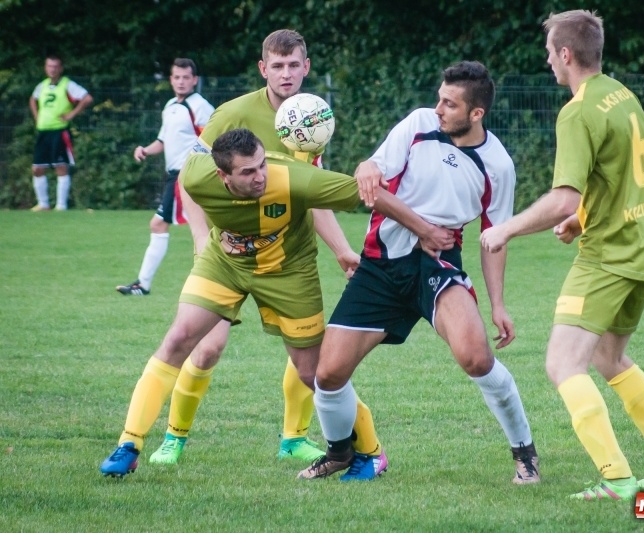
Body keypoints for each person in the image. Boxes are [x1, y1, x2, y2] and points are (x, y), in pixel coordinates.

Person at [99, 128, 452, 479]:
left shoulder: (295, 179)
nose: (260, 177)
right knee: (178, 339)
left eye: (261, 166)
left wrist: (423, 229)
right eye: (247, 172)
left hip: (289, 273)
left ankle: (371, 451)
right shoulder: (196, 174)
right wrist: (198, 239)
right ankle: (129, 444)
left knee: (314, 373)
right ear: (222, 175)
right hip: (225, 263)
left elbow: (370, 194)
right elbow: (185, 185)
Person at [480, 10, 644, 500]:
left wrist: (506, 229)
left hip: (608, 257)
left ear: (565, 54)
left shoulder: (577, 110)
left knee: (563, 365)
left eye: (549, 54)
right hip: (643, 246)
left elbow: (562, 195)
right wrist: (582, 217)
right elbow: (620, 172)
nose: (548, 62)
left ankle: (618, 479)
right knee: (610, 357)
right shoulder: (621, 95)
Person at [142, 30, 386, 475]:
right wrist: (200, 240)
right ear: (263, 69)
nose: (287, 73)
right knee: (206, 346)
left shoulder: (310, 117)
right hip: (229, 256)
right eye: (278, 66)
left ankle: (294, 439)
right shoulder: (233, 114)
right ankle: (173, 438)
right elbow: (191, 179)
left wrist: (342, 250)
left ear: (307, 67)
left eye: (295, 65)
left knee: (306, 357)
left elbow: (306, 192)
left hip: (289, 260)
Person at [298, 61, 541, 485]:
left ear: (476, 113)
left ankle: (525, 454)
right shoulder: (417, 124)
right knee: (328, 374)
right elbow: (371, 186)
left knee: (477, 357)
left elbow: (494, 237)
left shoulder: (498, 166)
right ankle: (339, 453)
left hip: (439, 264)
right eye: (439, 99)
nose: (439, 109)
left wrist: (499, 304)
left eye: (450, 103)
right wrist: (371, 171)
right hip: (382, 263)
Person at [116, 58, 215, 296]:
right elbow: (163, 140)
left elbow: (215, 139)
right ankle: (215, 286)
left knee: (162, 224)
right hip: (175, 176)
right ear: (171, 80)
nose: (181, 82)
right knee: (205, 228)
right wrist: (145, 150)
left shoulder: (200, 106)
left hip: (188, 176)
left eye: (186, 77)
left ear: (195, 80)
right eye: (177, 77)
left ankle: (146, 284)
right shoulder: (170, 105)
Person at [29, 53, 93, 211]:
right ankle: (43, 204)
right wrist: (37, 117)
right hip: (43, 132)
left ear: (61, 69)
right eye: (50, 66)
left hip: (59, 131)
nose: (52, 69)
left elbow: (87, 98)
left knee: (61, 166)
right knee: (37, 168)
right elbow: (32, 99)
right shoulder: (42, 85)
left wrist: (72, 114)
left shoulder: (67, 85)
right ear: (45, 68)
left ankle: (61, 206)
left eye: (56, 66)